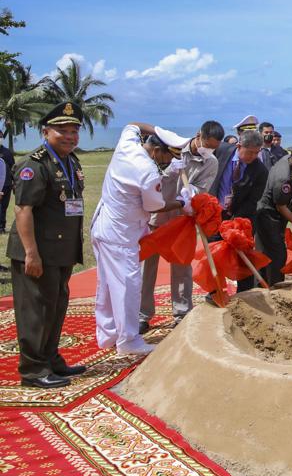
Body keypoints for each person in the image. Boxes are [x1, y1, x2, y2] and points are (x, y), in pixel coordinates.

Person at [7, 102, 88, 388]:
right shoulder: (34, 165)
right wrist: (31, 253)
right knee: (37, 310)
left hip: (61, 251)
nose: (70, 136)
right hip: (38, 252)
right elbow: (23, 210)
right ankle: (32, 370)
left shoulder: (71, 160)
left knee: (55, 307)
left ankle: (51, 360)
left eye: (74, 131)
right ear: (46, 132)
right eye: (62, 131)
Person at [92, 122, 191, 357]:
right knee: (128, 286)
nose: (166, 163)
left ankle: (108, 334)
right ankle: (129, 340)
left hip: (105, 225)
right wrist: (181, 202)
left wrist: (158, 130)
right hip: (121, 234)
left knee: (106, 283)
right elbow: (154, 206)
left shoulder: (128, 145)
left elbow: (132, 124)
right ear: (157, 151)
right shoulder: (146, 170)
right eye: (166, 158)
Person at [139, 121, 223, 332]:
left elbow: (202, 188)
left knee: (181, 266)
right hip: (157, 216)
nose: (208, 149)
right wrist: (170, 173)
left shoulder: (211, 162)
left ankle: (182, 312)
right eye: (206, 144)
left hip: (182, 219)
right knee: (147, 267)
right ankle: (142, 314)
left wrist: (190, 193)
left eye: (213, 147)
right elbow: (150, 175)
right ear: (198, 135)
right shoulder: (175, 148)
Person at [211, 129, 268, 290]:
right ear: (238, 146)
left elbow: (253, 201)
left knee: (243, 259)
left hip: (241, 219)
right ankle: (215, 292)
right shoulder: (221, 151)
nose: (253, 156)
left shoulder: (260, 170)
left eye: (257, 153)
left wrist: (233, 222)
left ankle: (245, 293)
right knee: (215, 255)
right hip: (215, 215)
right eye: (249, 152)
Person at [255, 144, 292, 285]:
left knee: (264, 251)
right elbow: (280, 205)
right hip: (269, 214)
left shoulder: (289, 160)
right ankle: (275, 285)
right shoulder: (284, 178)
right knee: (277, 254)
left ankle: (263, 283)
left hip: (272, 211)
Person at [0, 139, 14, 234]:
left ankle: (2, 226)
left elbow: (13, 168)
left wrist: (15, 182)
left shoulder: (7, 152)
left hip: (6, 184)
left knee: (3, 206)